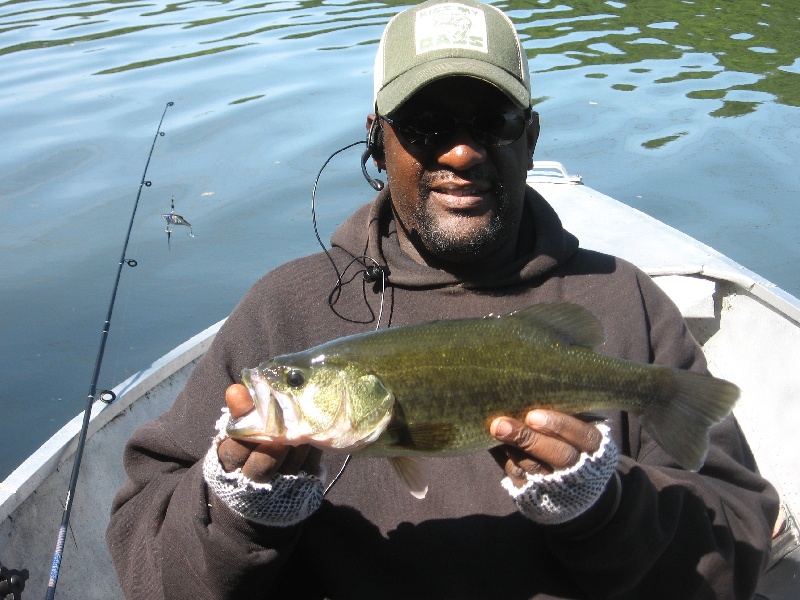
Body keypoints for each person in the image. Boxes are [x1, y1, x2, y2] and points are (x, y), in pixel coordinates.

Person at [107, 1, 778, 598]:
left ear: (531, 137)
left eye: (493, 120)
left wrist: (602, 505)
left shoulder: (624, 300)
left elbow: (736, 553)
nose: (460, 152)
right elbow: (152, 576)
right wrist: (240, 506)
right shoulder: (283, 310)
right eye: (426, 127)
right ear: (378, 138)